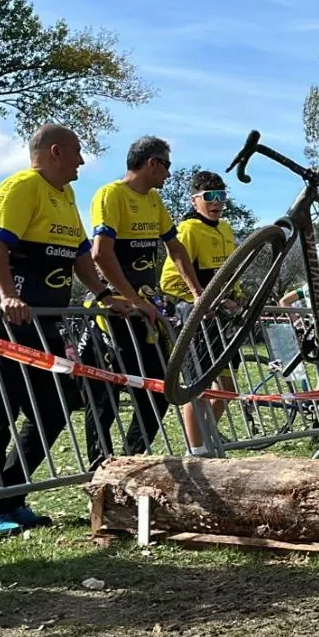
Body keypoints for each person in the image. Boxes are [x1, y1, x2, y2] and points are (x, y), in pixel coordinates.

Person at [0, 124, 130, 538]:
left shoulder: (65, 194)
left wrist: (105, 294)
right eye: (77, 152)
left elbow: (79, 255)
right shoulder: (21, 186)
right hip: (1, 320)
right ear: (55, 151)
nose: (82, 161)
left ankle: (11, 493)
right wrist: (6, 295)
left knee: (55, 409)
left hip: (45, 323)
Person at [86, 136, 203, 465]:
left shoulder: (153, 201)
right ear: (152, 163)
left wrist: (197, 292)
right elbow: (101, 254)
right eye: (166, 165)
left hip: (145, 309)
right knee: (105, 394)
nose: (168, 174)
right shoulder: (111, 194)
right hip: (112, 309)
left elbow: (175, 248)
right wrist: (130, 297)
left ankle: (131, 460)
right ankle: (100, 469)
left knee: (157, 387)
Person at [161, 170, 242, 455]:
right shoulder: (188, 230)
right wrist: (203, 300)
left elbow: (230, 274)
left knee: (227, 389)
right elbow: (169, 281)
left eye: (221, 195)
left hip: (223, 322)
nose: (217, 201)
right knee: (197, 390)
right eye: (210, 196)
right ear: (195, 200)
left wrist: (238, 298)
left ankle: (206, 438)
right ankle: (195, 452)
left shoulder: (226, 229)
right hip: (195, 320)